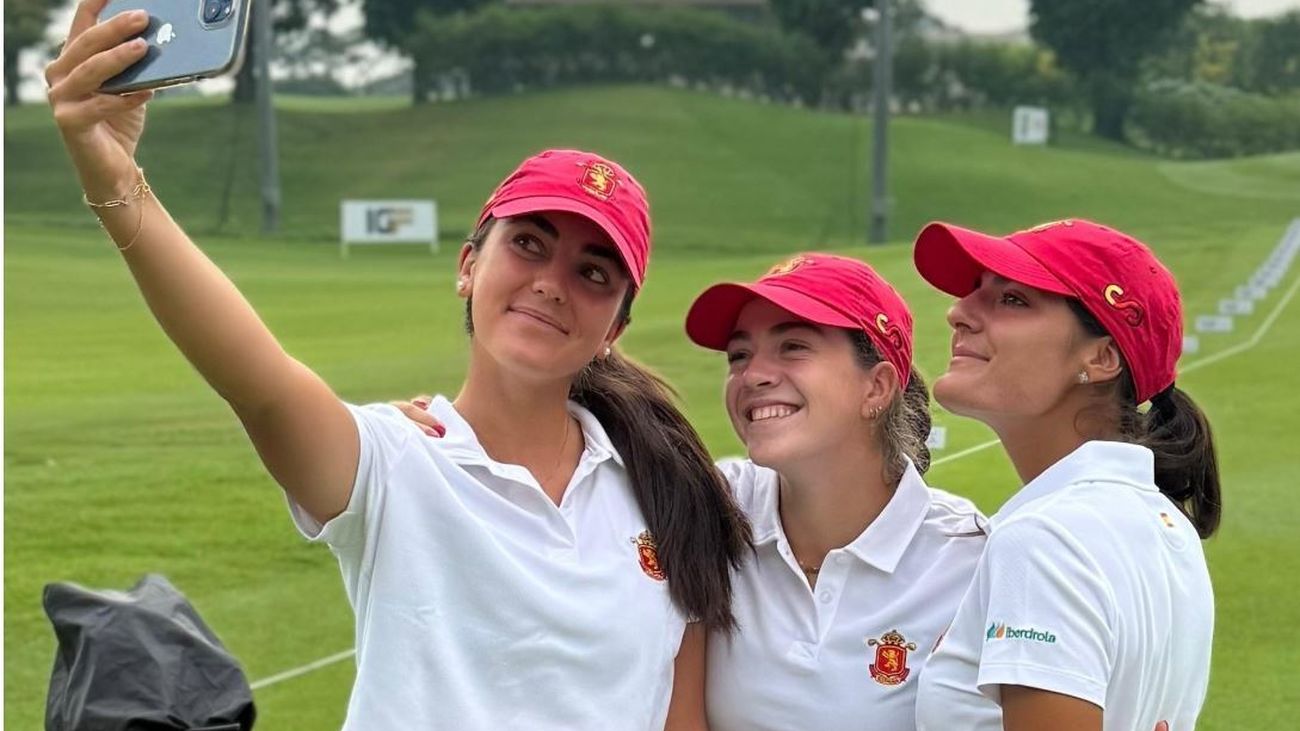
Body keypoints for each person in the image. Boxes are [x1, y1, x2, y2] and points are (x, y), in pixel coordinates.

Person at [43, 4, 750, 729]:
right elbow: (254, 378)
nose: (551, 281)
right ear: (468, 266)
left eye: (594, 272)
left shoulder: (666, 489)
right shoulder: (395, 461)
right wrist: (113, 171)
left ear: (616, 328)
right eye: (530, 244)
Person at [400, 252, 988, 730]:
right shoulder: (706, 504)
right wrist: (446, 432)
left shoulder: (972, 563)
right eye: (740, 355)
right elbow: (550, 467)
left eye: (793, 347)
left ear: (877, 386)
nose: (754, 374)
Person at [910, 219, 1218, 731]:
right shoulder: (1165, 524)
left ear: (1101, 358)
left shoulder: (1043, 538)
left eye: (1012, 300)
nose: (958, 312)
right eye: (975, 293)